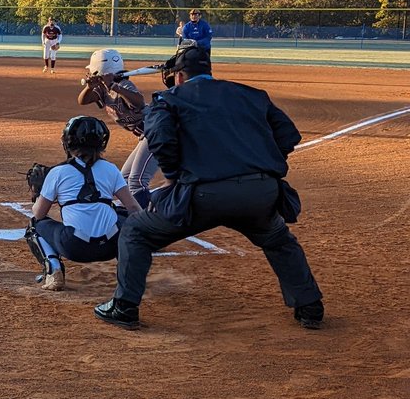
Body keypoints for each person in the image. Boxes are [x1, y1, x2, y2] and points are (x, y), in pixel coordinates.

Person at [94, 43, 324, 331]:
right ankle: (310, 307)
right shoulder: (251, 94)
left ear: (179, 76)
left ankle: (125, 306)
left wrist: (177, 176)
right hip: (259, 193)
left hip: (200, 195)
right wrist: (261, 164)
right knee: (280, 241)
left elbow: (160, 140)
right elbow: (289, 135)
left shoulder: (169, 100)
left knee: (136, 231)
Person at [26, 116, 143, 290]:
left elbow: (39, 214)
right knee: (123, 215)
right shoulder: (110, 169)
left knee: (34, 226)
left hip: (75, 246)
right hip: (111, 245)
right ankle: (129, 272)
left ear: (68, 142)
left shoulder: (58, 172)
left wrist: (37, 194)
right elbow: (133, 207)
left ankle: (53, 270)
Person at [77, 48, 155, 208]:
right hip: (145, 135)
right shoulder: (102, 89)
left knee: (137, 181)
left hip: (156, 131)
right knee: (124, 180)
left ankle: (147, 220)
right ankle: (136, 213)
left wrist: (114, 85)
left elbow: (139, 102)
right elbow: (82, 101)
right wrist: (90, 87)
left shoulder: (123, 84)